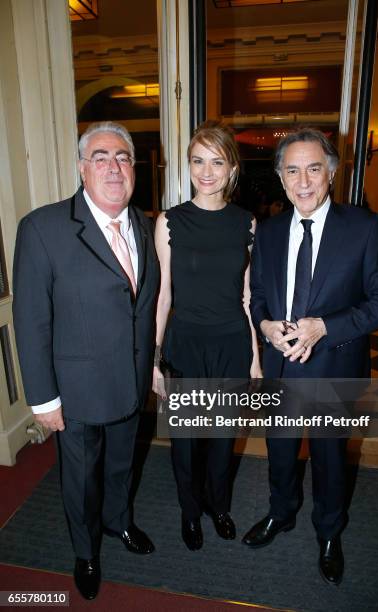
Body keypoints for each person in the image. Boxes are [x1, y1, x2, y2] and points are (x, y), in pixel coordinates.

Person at [243, 128, 378, 585]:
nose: (304, 180)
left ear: (331, 172)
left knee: (331, 458)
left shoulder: (364, 227)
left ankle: (329, 533)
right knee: (280, 451)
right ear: (280, 176)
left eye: (314, 168)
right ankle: (282, 513)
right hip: (280, 366)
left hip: (337, 366)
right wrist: (267, 326)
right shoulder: (268, 232)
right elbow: (259, 300)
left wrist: (324, 327)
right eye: (292, 170)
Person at [12, 121, 159, 600]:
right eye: (101, 157)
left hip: (130, 384)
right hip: (74, 391)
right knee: (79, 479)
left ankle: (119, 523)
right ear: (82, 168)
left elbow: (144, 307)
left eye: (122, 157)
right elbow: (31, 321)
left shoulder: (146, 224)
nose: (113, 167)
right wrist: (42, 399)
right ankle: (86, 551)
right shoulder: (43, 228)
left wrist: (152, 364)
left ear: (133, 168)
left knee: (121, 466)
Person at [153, 120, 262, 551]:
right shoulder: (169, 221)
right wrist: (155, 359)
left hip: (232, 340)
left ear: (232, 167)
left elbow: (248, 296)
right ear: (189, 166)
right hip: (186, 342)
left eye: (217, 161)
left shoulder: (247, 224)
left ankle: (219, 507)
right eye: (198, 160)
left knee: (221, 437)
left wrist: (253, 357)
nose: (206, 171)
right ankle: (189, 511)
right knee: (185, 441)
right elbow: (163, 296)